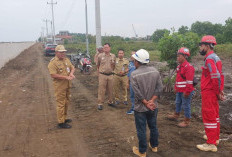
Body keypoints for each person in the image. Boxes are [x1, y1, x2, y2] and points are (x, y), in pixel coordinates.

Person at [131, 49, 163, 157]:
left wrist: (145, 102)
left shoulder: (134, 74)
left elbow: (137, 92)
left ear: (137, 61)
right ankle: (154, 146)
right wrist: (152, 101)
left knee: (141, 129)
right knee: (153, 126)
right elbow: (159, 88)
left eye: (134, 60)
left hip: (140, 108)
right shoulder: (155, 71)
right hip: (153, 106)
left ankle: (142, 151)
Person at [196, 35, 224, 152]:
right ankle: (214, 137)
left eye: (201, 45)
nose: (200, 48)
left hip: (210, 92)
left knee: (209, 116)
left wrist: (217, 92)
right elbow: (220, 76)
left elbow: (215, 76)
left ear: (207, 46)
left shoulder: (210, 59)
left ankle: (211, 143)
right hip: (213, 91)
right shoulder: (215, 57)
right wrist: (220, 90)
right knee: (215, 115)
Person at [48, 45, 75, 129]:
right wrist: (65, 77)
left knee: (66, 102)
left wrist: (71, 73)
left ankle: (64, 118)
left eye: (64, 52)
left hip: (67, 85)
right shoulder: (53, 63)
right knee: (61, 104)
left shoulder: (66, 60)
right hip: (60, 87)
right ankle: (61, 122)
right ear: (56, 53)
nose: (63, 53)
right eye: (61, 52)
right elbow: (53, 75)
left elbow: (72, 67)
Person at [167, 47, 195, 127]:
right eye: (177, 56)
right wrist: (176, 87)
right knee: (178, 102)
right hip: (179, 90)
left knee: (186, 105)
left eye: (179, 56)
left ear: (185, 56)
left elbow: (189, 82)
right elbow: (178, 78)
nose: (177, 57)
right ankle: (176, 115)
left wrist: (187, 91)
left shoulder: (188, 67)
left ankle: (186, 121)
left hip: (186, 90)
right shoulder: (179, 66)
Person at [97, 43, 116, 110]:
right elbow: (98, 65)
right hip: (102, 75)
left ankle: (110, 102)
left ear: (110, 48)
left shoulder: (113, 56)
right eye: (104, 47)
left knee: (111, 89)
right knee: (101, 90)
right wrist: (99, 73)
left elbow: (114, 66)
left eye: (107, 47)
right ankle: (100, 103)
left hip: (110, 75)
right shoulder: (100, 56)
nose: (105, 49)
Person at [126, 50, 136, 115]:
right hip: (131, 82)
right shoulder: (130, 64)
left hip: (137, 83)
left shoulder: (138, 64)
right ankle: (133, 109)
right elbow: (128, 74)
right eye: (131, 54)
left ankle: (135, 109)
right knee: (132, 96)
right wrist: (127, 83)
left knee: (137, 96)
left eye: (134, 55)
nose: (132, 56)